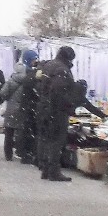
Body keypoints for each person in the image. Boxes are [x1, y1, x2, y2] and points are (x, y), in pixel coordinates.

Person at [35, 46, 79, 181]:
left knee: (47, 138)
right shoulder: (62, 69)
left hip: (44, 107)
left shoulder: (48, 66)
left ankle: (46, 169)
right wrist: (68, 105)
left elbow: (40, 86)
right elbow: (59, 91)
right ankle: (53, 171)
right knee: (57, 141)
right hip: (56, 110)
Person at [0, 58, 28, 161]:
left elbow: (2, 93)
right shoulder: (27, 81)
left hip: (11, 108)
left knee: (9, 132)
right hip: (22, 108)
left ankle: (8, 155)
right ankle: (20, 152)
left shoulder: (11, 81)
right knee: (21, 132)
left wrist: (8, 98)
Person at [15, 50, 40, 165]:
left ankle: (23, 153)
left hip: (24, 106)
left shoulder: (24, 74)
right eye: (34, 59)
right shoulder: (31, 75)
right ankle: (26, 154)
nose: (36, 61)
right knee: (27, 131)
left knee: (24, 130)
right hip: (28, 106)